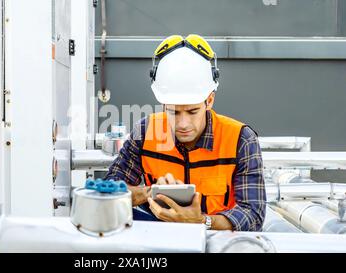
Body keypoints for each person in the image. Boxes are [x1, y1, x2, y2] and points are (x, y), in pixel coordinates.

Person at [104, 34, 266, 231]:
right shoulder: (146, 132)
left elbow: (253, 214)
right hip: (159, 239)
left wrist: (200, 221)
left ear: (210, 100)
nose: (182, 123)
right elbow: (109, 191)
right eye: (173, 111)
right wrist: (153, 192)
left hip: (219, 241)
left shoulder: (241, 139)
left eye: (192, 111)